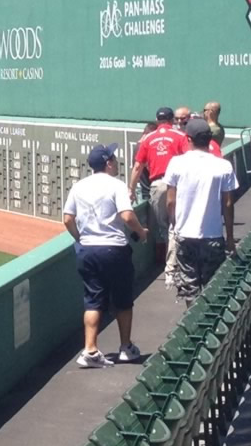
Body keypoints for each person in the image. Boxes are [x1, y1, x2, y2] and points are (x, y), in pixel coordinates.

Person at [62, 145, 147, 366]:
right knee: (123, 301)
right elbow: (127, 216)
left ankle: (90, 351)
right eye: (114, 159)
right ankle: (126, 348)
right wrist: (141, 232)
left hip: (88, 250)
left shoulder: (79, 186)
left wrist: (80, 238)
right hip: (114, 249)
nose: (117, 162)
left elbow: (67, 219)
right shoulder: (116, 185)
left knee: (92, 301)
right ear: (108, 163)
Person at [163, 118, 239, 303]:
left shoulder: (176, 163)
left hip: (185, 235)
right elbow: (228, 205)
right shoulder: (223, 165)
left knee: (190, 289)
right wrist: (229, 238)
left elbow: (170, 201)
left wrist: (175, 225)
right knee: (214, 288)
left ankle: (192, 327)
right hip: (213, 235)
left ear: (188, 139)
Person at [131, 107, 191, 276]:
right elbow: (189, 159)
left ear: (157, 120)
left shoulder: (148, 138)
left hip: (157, 184)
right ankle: (177, 263)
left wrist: (130, 188)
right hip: (178, 184)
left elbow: (137, 167)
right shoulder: (180, 136)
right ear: (172, 120)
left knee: (164, 227)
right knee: (177, 224)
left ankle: (170, 264)